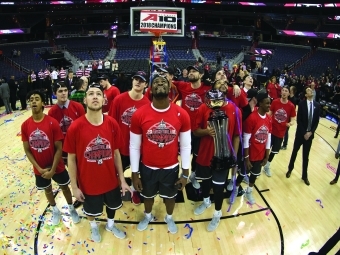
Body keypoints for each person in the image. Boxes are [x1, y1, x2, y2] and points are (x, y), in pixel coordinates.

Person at [63, 83, 132, 242]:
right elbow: (71, 159)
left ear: (104, 100)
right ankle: (94, 228)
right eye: (91, 94)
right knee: (91, 211)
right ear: (85, 100)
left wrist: (122, 179)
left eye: (98, 94)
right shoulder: (76, 127)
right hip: (88, 183)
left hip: (110, 181)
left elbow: (116, 154)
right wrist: (74, 186)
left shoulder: (112, 123)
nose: (95, 96)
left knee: (112, 207)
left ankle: (110, 224)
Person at [130, 74, 191, 234]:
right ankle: (148, 215)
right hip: (147, 167)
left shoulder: (182, 114)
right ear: (150, 89)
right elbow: (134, 146)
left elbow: (185, 146)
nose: (160, 83)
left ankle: (169, 217)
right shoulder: (139, 114)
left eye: (164, 81)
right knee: (147, 196)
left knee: (170, 197)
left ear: (170, 86)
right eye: (156, 81)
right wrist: (135, 174)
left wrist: (185, 172)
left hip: (171, 168)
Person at [21, 89, 80, 226]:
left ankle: (71, 209)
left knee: (65, 187)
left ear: (42, 103)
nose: (34, 101)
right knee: (47, 190)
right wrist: (39, 168)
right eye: (31, 99)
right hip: (39, 168)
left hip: (57, 166)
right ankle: (55, 210)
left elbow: (59, 148)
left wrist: (53, 169)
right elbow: (27, 150)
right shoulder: (25, 125)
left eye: (37, 98)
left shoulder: (52, 122)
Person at [193, 89, 241, 231]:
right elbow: (195, 131)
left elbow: (237, 136)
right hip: (205, 154)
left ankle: (217, 213)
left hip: (224, 156)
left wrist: (234, 157)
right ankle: (206, 201)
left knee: (219, 187)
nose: (215, 104)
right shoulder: (203, 108)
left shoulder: (234, 110)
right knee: (206, 183)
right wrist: (206, 132)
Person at [108, 71, 150, 205]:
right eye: (136, 79)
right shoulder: (119, 99)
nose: (138, 82)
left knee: (137, 172)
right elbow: (110, 122)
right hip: (120, 146)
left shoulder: (147, 104)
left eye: (141, 80)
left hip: (139, 147)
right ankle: (115, 191)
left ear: (146, 84)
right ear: (132, 81)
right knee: (115, 172)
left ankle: (135, 191)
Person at [229, 92, 272, 205]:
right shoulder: (251, 118)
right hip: (249, 155)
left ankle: (249, 191)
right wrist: (246, 158)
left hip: (260, 154)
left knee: (254, 175)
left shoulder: (268, 119)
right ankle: (235, 190)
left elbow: (268, 138)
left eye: (269, 103)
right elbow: (246, 139)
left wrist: (267, 156)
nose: (269, 105)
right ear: (260, 103)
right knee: (242, 175)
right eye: (267, 103)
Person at [287, 87, 321, 186]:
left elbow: (316, 121)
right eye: (309, 91)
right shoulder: (301, 104)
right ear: (306, 95)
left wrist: (310, 133)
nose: (311, 91)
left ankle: (304, 176)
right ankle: (290, 169)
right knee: (294, 152)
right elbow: (299, 120)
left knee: (306, 156)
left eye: (311, 90)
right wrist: (304, 133)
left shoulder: (317, 105)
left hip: (310, 136)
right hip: (301, 134)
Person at [263, 86, 296, 177]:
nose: (284, 92)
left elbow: (293, 118)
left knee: (274, 151)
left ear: (289, 93)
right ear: (281, 92)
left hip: (281, 133)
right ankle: (260, 166)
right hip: (271, 131)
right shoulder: (275, 102)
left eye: (286, 91)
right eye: (283, 90)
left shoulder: (291, 106)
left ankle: (267, 166)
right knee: (265, 149)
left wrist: (291, 123)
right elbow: (270, 113)